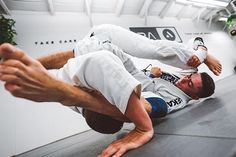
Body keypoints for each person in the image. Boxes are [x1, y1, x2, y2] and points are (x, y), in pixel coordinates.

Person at [0, 24, 221, 157]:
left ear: (193, 96)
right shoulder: (188, 71)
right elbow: (197, 41)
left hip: (138, 91)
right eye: (189, 77)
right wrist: (204, 55)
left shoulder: (178, 99)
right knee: (102, 43)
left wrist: (143, 126)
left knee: (102, 62)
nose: (185, 82)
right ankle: (33, 65)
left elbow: (158, 107)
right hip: (140, 76)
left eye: (190, 86)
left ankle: (66, 92)